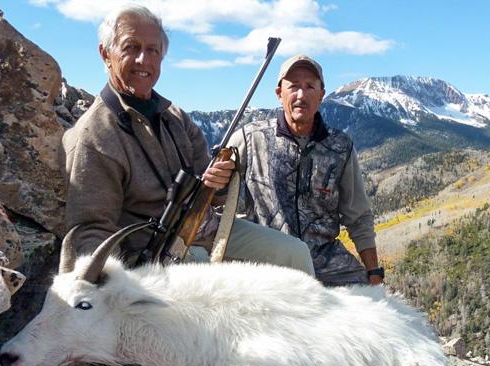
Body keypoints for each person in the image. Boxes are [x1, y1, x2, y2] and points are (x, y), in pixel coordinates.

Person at [62, 5, 313, 275]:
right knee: (210, 278)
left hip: (204, 227)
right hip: (147, 252)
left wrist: (219, 181)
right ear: (106, 54)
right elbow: (90, 230)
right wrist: (115, 288)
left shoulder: (174, 117)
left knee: (295, 254)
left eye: (153, 50)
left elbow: (215, 195)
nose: (143, 60)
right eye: (131, 47)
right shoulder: (93, 136)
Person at [228, 54, 384, 286]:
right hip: (266, 260)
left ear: (321, 94)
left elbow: (358, 215)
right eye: (294, 86)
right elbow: (215, 197)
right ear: (280, 93)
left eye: (310, 86)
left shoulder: (340, 147)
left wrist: (374, 273)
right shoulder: (249, 138)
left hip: (327, 261)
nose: (301, 94)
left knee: (373, 306)